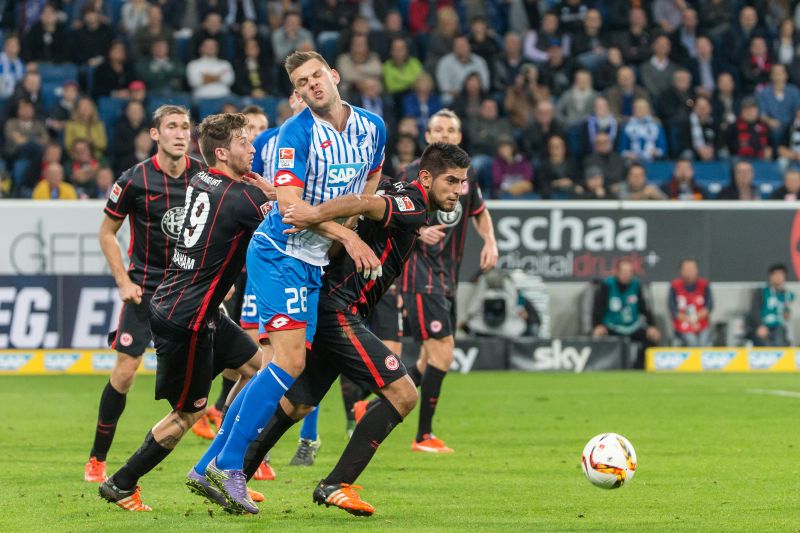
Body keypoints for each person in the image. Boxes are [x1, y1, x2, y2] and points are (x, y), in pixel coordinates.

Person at [225, 142, 472, 516]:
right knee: (404, 394)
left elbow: (355, 193)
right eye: (451, 181)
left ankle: (232, 476)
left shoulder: (395, 186)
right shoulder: (414, 203)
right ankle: (335, 485)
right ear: (426, 177)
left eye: (462, 182)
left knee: (298, 403)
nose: (457, 190)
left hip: (333, 306)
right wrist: (312, 215)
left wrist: (284, 196)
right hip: (338, 311)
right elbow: (363, 203)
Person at [190, 50, 385, 515]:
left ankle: (207, 465)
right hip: (280, 254)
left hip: (313, 263)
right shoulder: (296, 135)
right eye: (303, 82)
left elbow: (372, 178)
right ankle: (231, 465)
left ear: (334, 76)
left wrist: (356, 215)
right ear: (297, 93)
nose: (313, 85)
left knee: (281, 365)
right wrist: (348, 237)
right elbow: (292, 210)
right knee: (287, 364)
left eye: (318, 75)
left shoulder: (372, 127)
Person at [98, 112, 272, 511]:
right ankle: (122, 483)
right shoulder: (243, 197)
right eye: (246, 141)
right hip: (188, 320)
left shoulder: (201, 178)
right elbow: (290, 225)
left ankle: (223, 469)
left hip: (192, 307)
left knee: (260, 371)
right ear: (224, 153)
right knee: (186, 416)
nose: (253, 147)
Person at [84, 106, 208, 484]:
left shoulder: (203, 176)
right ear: (155, 134)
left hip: (188, 290)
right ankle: (97, 459)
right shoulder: (134, 179)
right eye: (171, 126)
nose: (180, 133)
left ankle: (238, 459)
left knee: (239, 365)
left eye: (185, 127)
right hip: (144, 291)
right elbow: (107, 232)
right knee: (124, 373)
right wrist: (123, 280)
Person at [369, 109, 498, 454]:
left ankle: (376, 406)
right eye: (438, 129)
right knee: (443, 353)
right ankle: (423, 436)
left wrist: (490, 241)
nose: (444, 134)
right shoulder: (414, 176)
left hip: (447, 279)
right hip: (419, 276)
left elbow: (480, 213)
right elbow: (389, 214)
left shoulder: (464, 180)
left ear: (458, 137)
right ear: (427, 136)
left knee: (430, 358)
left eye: (450, 129)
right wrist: (420, 229)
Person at [591, 259, 661, 369]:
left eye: (629, 272)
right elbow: (598, 308)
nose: (626, 275)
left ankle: (639, 368)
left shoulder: (636, 285)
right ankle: (608, 367)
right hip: (612, 326)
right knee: (600, 337)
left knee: (651, 338)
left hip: (632, 326)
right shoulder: (607, 285)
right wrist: (598, 325)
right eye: (624, 272)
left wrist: (652, 326)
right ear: (617, 272)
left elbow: (645, 309)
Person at [669, 258, 714, 346]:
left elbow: (709, 306)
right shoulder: (675, 286)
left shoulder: (704, 285)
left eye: (692, 268)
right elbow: (673, 309)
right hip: (683, 323)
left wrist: (695, 318)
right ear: (681, 271)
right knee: (691, 340)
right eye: (687, 269)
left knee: (704, 340)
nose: (690, 271)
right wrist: (688, 319)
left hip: (701, 322)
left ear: (697, 270)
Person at [750, 264, 795, 346]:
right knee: (765, 343)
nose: (778, 277)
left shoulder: (788, 295)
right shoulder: (761, 292)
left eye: (781, 274)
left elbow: (788, 315)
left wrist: (787, 314)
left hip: (779, 327)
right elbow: (754, 310)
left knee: (780, 339)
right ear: (770, 276)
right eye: (775, 274)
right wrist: (760, 325)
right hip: (763, 326)